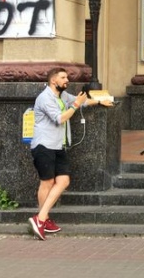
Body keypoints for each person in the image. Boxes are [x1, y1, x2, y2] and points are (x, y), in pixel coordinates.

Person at [28, 67, 112, 241]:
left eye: (67, 77)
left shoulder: (62, 95)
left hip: (58, 146)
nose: (67, 80)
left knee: (63, 181)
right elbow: (60, 118)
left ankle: (41, 218)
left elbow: (81, 101)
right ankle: (43, 219)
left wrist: (99, 102)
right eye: (63, 77)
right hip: (44, 145)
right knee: (47, 182)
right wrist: (75, 105)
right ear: (53, 80)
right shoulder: (45, 98)